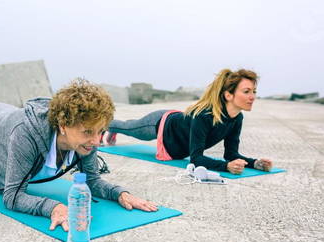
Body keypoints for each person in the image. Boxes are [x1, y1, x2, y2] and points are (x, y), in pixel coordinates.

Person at [0, 78, 158, 231]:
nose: (96, 140)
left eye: (100, 131)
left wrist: (120, 194)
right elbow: (12, 195)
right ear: (63, 125)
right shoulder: (26, 135)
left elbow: (93, 181)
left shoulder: (85, 142)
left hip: (2, 122)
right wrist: (53, 207)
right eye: (88, 132)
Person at [103, 69, 273, 175]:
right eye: (246, 91)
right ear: (229, 95)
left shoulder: (237, 118)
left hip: (178, 126)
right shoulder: (204, 116)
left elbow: (231, 154)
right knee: (129, 128)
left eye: (254, 91)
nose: (252, 97)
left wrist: (255, 163)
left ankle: (113, 129)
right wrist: (227, 167)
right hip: (161, 123)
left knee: (130, 128)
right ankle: (107, 126)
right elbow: (196, 159)